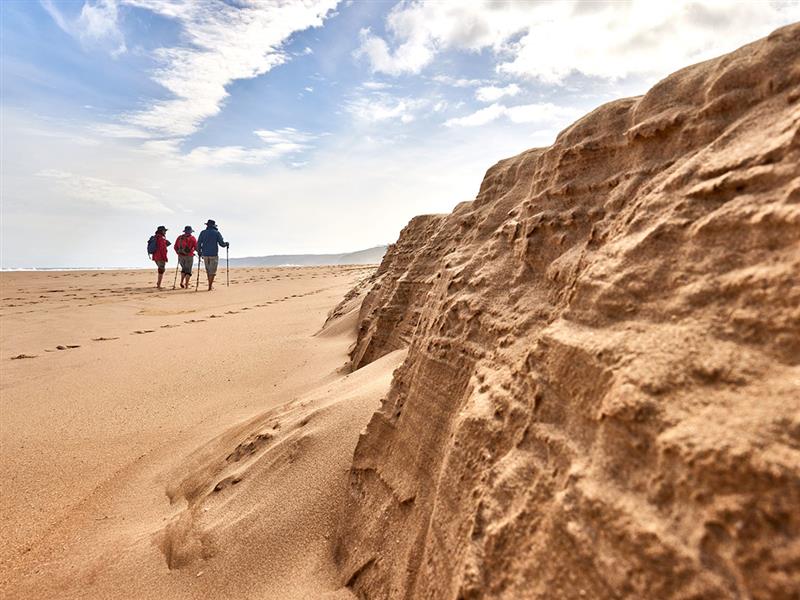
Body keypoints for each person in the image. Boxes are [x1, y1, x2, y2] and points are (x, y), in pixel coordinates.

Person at [196, 219, 229, 291]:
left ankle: (210, 285)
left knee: (208, 270)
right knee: (212, 271)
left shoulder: (203, 233)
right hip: (213, 254)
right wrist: (226, 244)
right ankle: (210, 286)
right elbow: (221, 244)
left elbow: (198, 243)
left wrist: (199, 252)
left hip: (205, 254)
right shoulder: (216, 233)